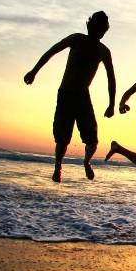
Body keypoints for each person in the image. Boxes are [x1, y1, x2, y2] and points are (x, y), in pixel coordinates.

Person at [24, 11, 116, 182]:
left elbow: (111, 78)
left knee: (93, 141)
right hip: (66, 93)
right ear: (90, 24)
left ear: (104, 30)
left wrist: (111, 105)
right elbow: (52, 51)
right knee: (62, 138)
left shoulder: (104, 51)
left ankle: (86, 162)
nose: (98, 28)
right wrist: (34, 71)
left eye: (101, 26)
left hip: (82, 97)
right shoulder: (77, 38)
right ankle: (58, 166)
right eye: (95, 24)